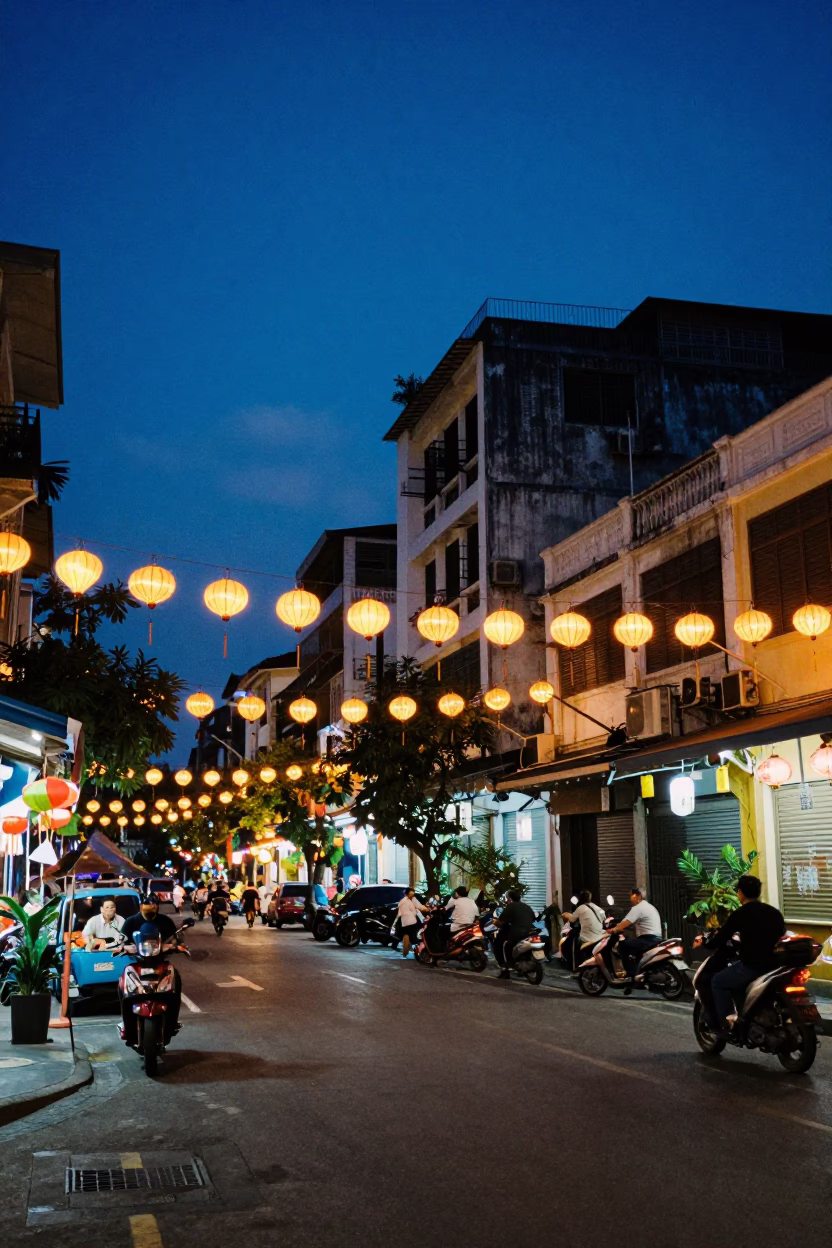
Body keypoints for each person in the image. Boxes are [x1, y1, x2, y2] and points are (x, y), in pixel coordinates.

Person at [699, 874, 786, 1035]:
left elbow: (721, 938)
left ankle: (729, 1023)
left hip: (753, 966)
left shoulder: (740, 914)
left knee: (718, 981)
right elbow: (781, 933)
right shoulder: (774, 913)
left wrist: (705, 943)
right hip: (775, 966)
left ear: (740, 893)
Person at [612, 887, 662, 991]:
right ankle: (639, 978)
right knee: (634, 951)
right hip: (656, 938)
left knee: (623, 946)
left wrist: (614, 929)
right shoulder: (649, 907)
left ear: (638, 896)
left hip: (648, 939)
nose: (631, 898)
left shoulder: (638, 908)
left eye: (632, 895)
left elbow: (625, 923)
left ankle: (631, 976)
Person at [494, 889, 536, 978]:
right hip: (529, 932)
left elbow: (500, 922)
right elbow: (533, 918)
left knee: (504, 945)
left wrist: (496, 923)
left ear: (509, 898)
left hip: (517, 933)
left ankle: (506, 968)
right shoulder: (527, 906)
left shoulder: (510, 907)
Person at [561, 890, 606, 972]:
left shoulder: (580, 908)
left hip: (588, 937)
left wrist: (565, 915)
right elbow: (604, 919)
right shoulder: (598, 908)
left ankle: (575, 966)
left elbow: (572, 919)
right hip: (600, 935)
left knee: (572, 943)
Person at [396, 887, 428, 958]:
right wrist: (426, 909)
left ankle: (411, 949)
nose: (412, 896)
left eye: (412, 894)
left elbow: (419, 906)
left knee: (409, 934)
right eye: (411, 894)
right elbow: (419, 907)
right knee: (414, 936)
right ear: (407, 894)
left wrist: (425, 909)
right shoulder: (404, 901)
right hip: (409, 921)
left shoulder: (411, 899)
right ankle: (416, 950)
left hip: (406, 921)